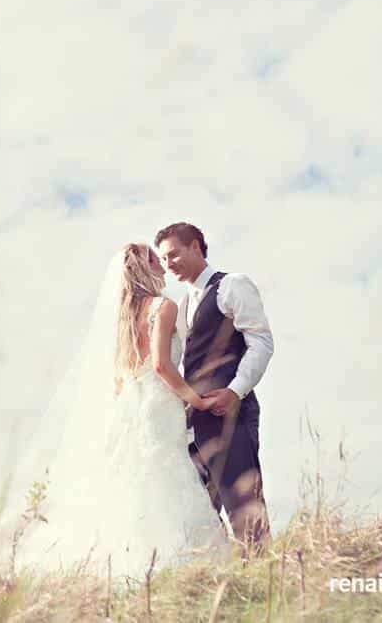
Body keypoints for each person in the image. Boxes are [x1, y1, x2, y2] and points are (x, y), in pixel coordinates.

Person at [3, 243, 229, 577]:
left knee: (133, 477)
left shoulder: (121, 319)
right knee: (166, 473)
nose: (163, 266)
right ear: (144, 268)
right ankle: (175, 561)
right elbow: (163, 366)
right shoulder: (162, 307)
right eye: (156, 260)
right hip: (158, 401)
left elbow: (120, 378)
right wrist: (196, 400)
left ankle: (126, 562)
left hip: (130, 405)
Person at [154, 222, 274, 555]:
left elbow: (261, 342)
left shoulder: (232, 285)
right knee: (198, 512)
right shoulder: (180, 304)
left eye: (174, 254)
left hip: (232, 414)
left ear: (196, 246)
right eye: (164, 260)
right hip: (195, 423)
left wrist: (235, 390)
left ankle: (266, 581)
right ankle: (221, 582)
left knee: (244, 508)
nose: (169, 264)